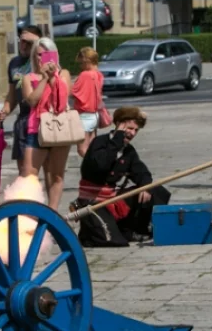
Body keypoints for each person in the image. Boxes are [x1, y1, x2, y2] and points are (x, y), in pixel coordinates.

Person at [72, 106, 170, 247]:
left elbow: (141, 172)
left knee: (155, 191)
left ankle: (137, 229)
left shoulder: (129, 151)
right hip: (94, 202)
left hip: (114, 199)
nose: (132, 133)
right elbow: (102, 165)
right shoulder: (100, 143)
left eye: (136, 130)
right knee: (114, 241)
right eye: (129, 128)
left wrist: (145, 185)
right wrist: (117, 139)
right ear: (119, 125)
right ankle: (111, 232)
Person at [21, 37, 73, 211]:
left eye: (45, 54)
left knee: (56, 175)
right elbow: (32, 101)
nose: (40, 58)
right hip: (36, 129)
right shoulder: (28, 77)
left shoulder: (63, 74)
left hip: (59, 129)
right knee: (29, 175)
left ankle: (52, 213)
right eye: (37, 55)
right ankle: (33, 211)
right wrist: (43, 79)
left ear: (54, 55)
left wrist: (53, 78)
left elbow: (62, 100)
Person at [0, 26, 41, 174]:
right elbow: (12, 94)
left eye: (29, 43)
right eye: (21, 41)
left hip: (42, 118)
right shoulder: (14, 63)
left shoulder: (41, 61)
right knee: (24, 171)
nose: (23, 45)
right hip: (24, 119)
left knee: (49, 171)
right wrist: (5, 110)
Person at [73, 47, 105, 157]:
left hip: (84, 115)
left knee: (82, 149)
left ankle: (93, 168)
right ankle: (95, 169)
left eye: (81, 63)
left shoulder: (85, 75)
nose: (80, 66)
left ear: (86, 60)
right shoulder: (98, 75)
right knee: (92, 147)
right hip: (95, 114)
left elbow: (73, 92)